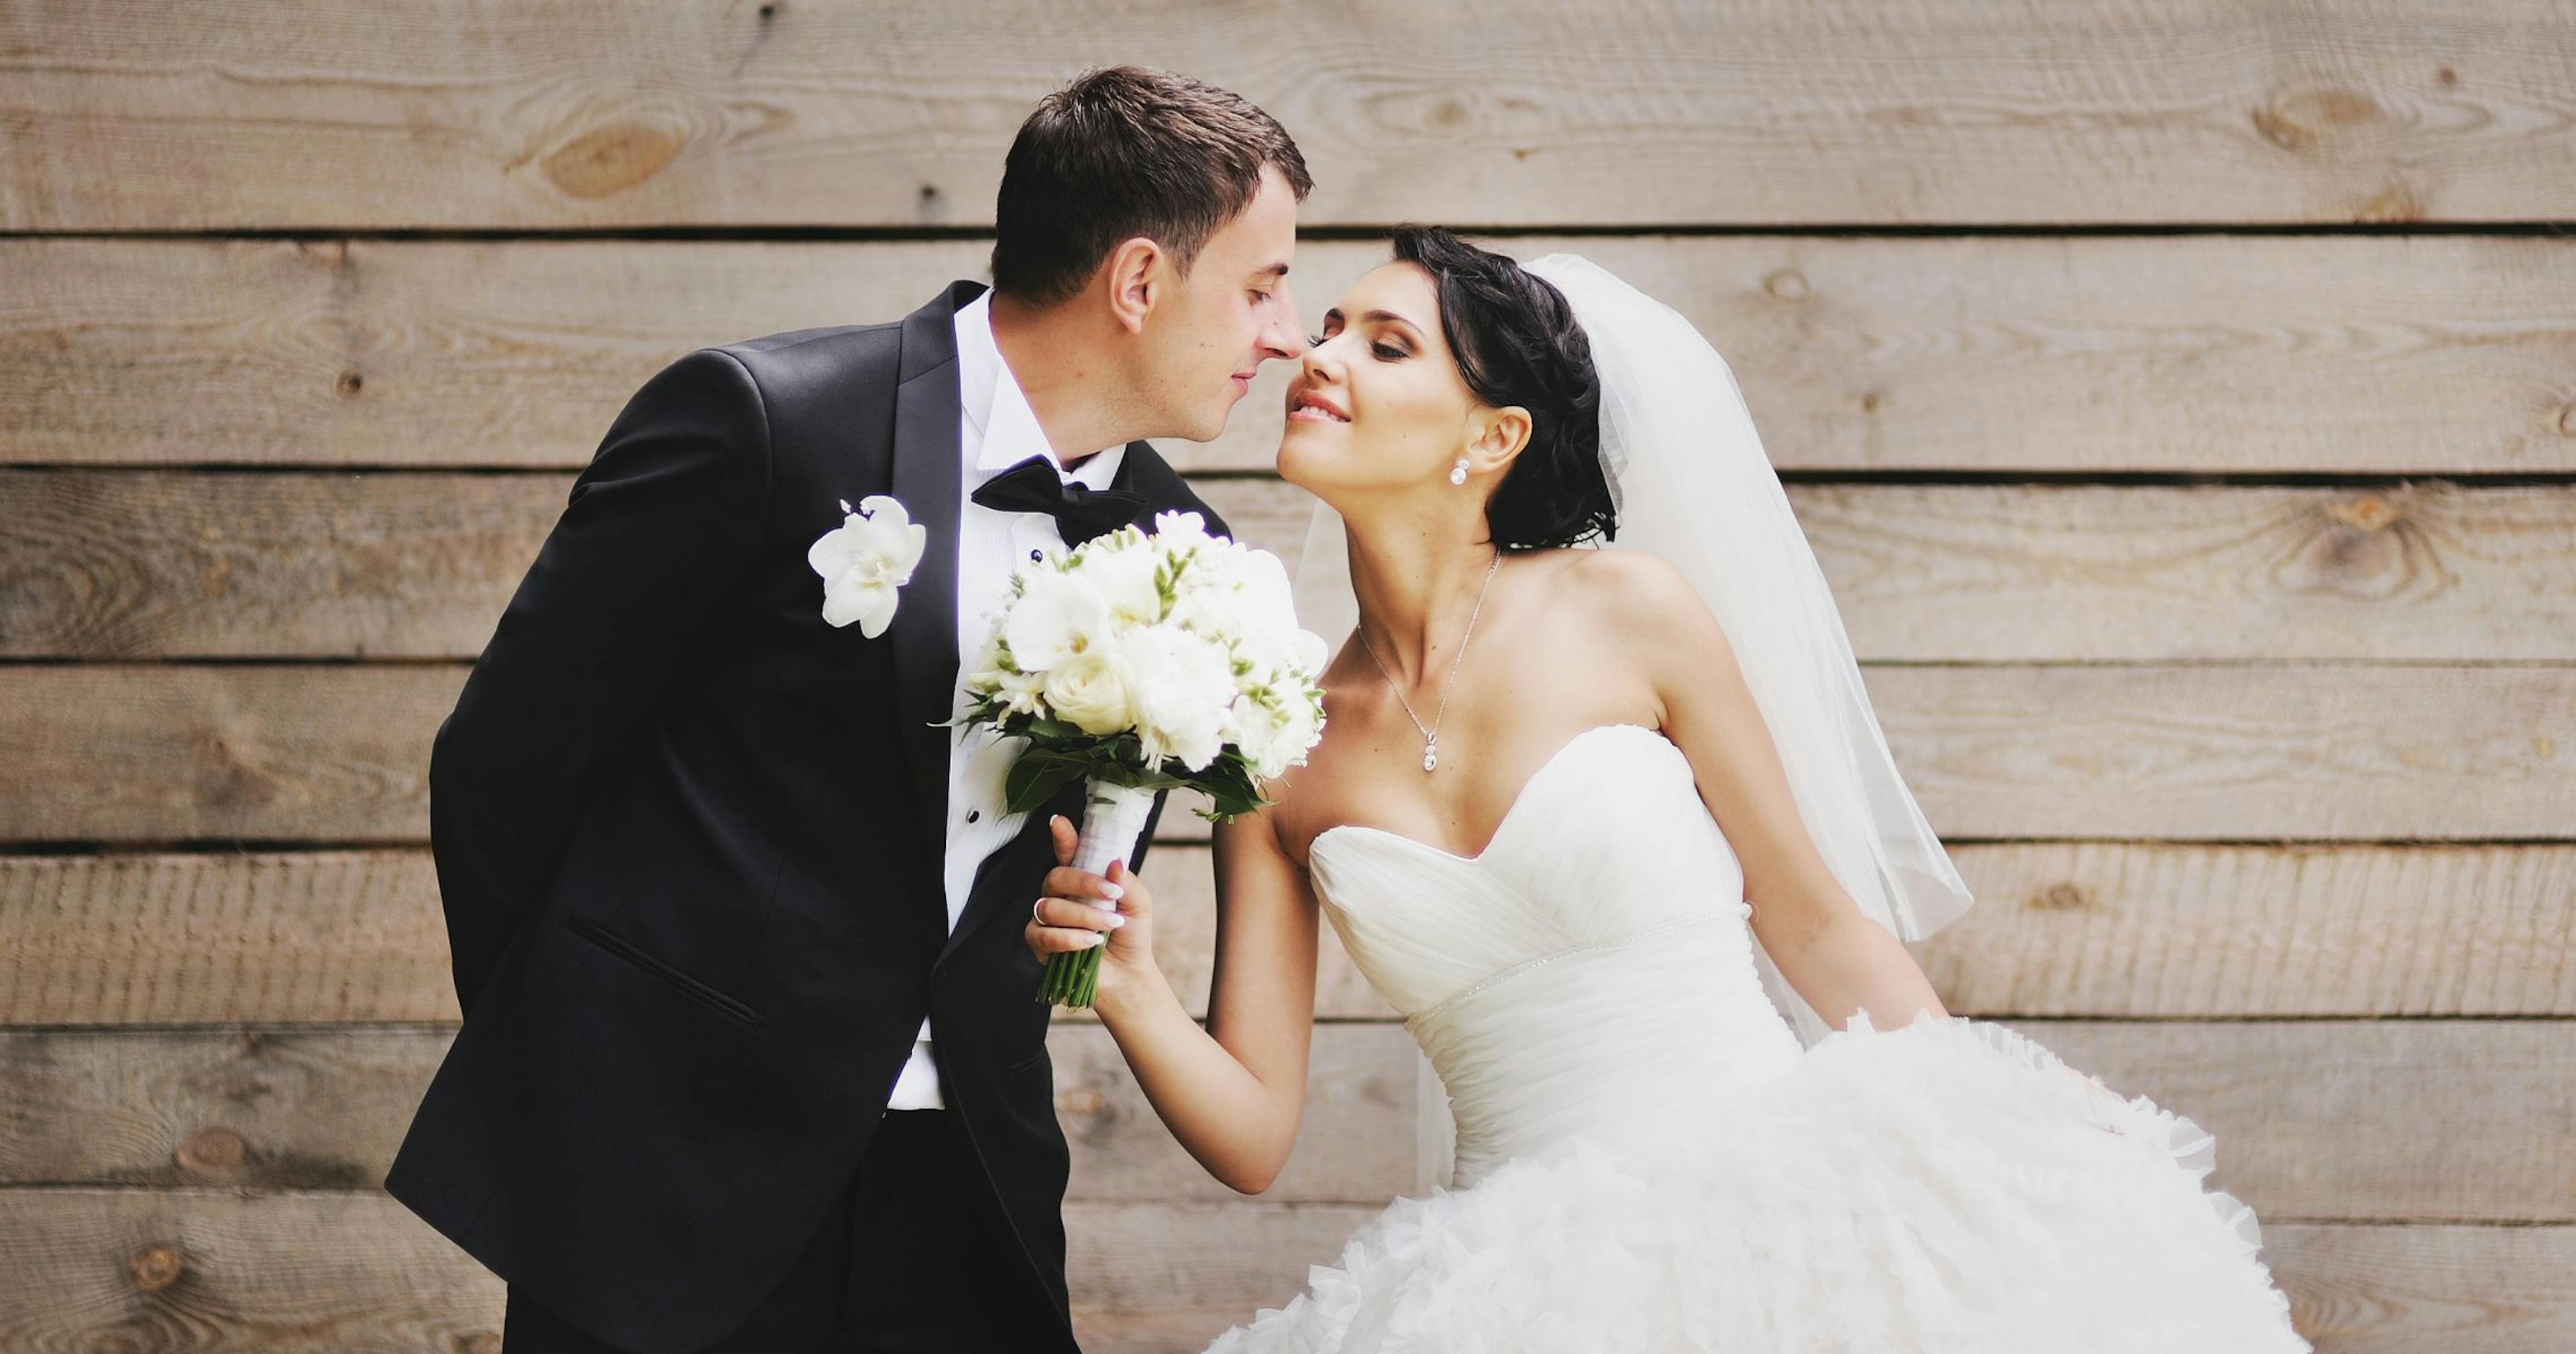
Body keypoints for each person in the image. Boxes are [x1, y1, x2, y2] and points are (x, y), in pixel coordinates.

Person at [1026, 227, 2314, 1351]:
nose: (1318, 356)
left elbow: (1810, 919)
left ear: (1495, 437)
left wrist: (1994, 1113)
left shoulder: (1628, 613)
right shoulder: (1277, 745)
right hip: (1512, 1292)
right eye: (1323, 328)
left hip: (1788, 1212)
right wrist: (1129, 986)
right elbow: (1253, 1135)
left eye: (1384, 344)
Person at [384, 66, 1309, 1354]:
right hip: (667, 1182)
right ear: (1140, 281)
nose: (1286, 334)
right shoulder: (767, 424)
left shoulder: (1185, 552)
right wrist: (594, 1082)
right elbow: (502, 767)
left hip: (973, 1192)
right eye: (1264, 287)